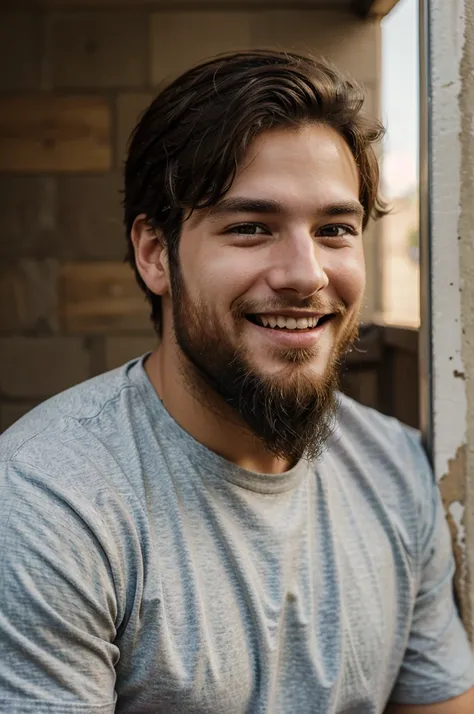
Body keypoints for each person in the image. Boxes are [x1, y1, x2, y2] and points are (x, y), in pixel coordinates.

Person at [0, 50, 473, 714]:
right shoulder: (49, 501)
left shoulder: (394, 472)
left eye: (335, 229)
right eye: (251, 228)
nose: (306, 274)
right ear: (154, 253)